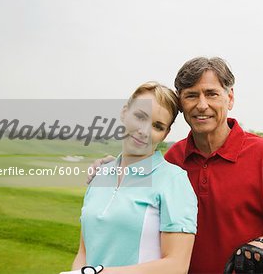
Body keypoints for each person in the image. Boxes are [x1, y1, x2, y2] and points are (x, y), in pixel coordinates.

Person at [91, 57, 263, 274]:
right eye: (191, 96)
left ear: (230, 98)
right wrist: (115, 167)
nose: (202, 105)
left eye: (211, 94)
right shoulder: (173, 158)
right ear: (181, 104)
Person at [62, 82, 198, 274]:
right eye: (140, 117)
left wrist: (100, 273)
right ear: (125, 112)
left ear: (165, 134)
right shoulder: (100, 175)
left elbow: (176, 266)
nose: (144, 131)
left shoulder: (174, 181)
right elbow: (84, 253)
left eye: (157, 126)